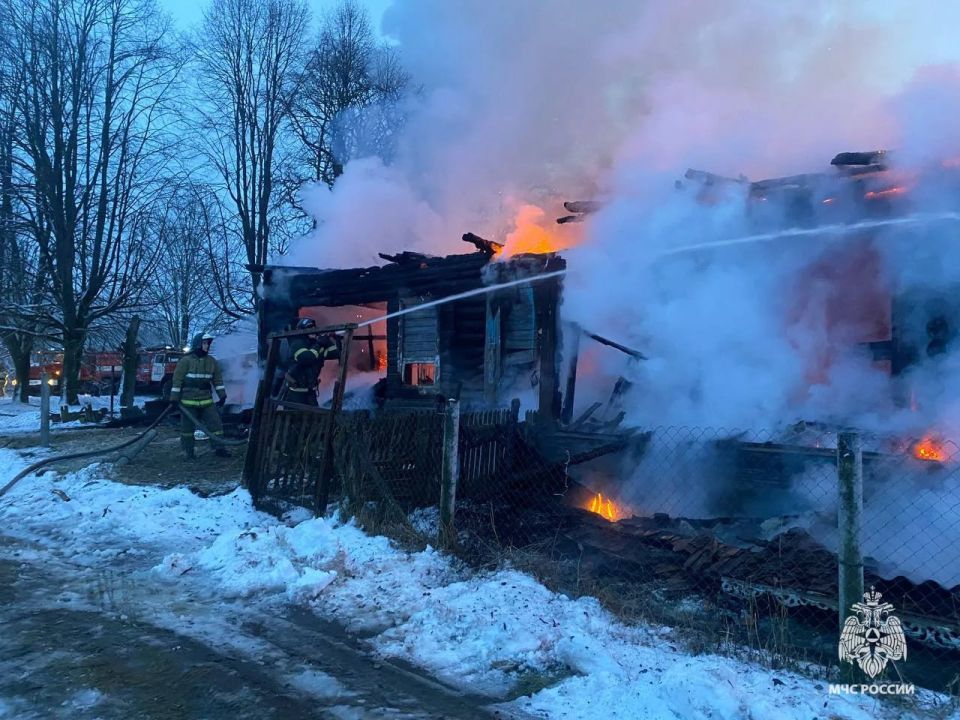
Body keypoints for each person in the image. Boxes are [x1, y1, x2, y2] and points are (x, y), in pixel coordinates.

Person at [170, 332, 228, 459]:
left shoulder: (212, 361)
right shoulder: (185, 361)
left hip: (206, 400)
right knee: (187, 429)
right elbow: (177, 381)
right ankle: (188, 451)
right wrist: (174, 399)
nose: (207, 346)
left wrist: (222, 396)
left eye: (208, 343)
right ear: (198, 344)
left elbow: (217, 380)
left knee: (216, 425)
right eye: (204, 343)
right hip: (188, 402)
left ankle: (219, 448)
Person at [282, 318, 340, 406]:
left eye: (313, 327)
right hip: (295, 396)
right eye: (309, 327)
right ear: (302, 331)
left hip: (311, 394)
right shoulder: (297, 344)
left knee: (313, 416)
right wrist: (320, 344)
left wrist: (327, 340)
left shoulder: (315, 345)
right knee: (295, 418)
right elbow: (307, 358)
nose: (312, 329)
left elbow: (335, 353)